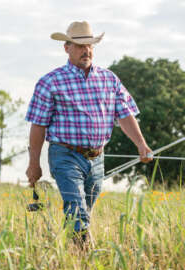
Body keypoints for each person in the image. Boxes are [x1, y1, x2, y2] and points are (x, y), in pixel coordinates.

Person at [25, 21, 153, 247]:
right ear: (67, 48)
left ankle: (74, 255)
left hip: (97, 158)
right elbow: (38, 125)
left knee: (85, 211)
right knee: (76, 208)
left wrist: (141, 145)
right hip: (65, 156)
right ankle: (85, 256)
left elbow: (125, 115)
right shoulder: (50, 82)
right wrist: (34, 163)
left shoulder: (109, 79)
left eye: (90, 45)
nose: (87, 50)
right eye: (80, 45)